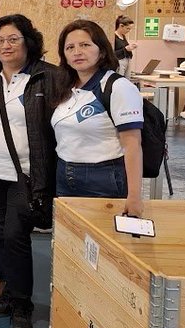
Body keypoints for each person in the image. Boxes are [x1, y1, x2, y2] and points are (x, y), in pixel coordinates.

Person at [0, 15, 57, 328]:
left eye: (13, 39)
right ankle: (10, 294)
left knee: (15, 236)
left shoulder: (48, 77)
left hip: (27, 174)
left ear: (28, 41)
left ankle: (22, 304)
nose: (5, 46)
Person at [52, 19, 144, 217]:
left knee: (102, 243)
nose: (77, 52)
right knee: (71, 242)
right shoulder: (66, 89)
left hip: (103, 178)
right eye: (70, 47)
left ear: (101, 50)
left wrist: (135, 196)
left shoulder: (117, 87)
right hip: (64, 175)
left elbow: (132, 145)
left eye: (85, 45)